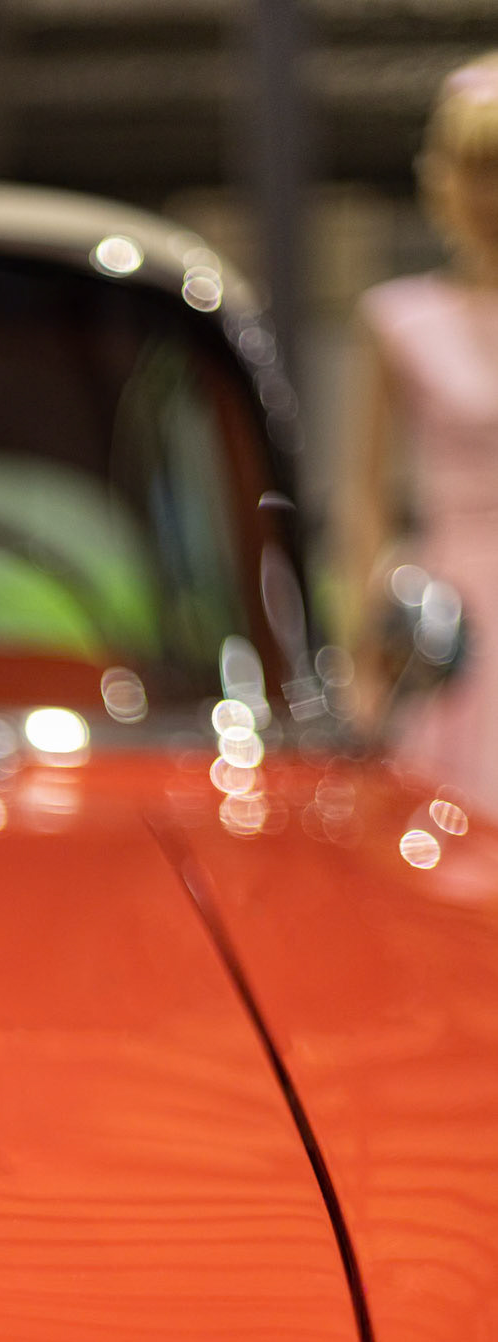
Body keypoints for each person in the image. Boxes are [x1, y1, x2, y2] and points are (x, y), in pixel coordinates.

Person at [342, 52, 498, 816]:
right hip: (451, 617)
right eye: (474, 168)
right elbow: (364, 497)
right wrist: (365, 638)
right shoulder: (399, 320)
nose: (488, 193)